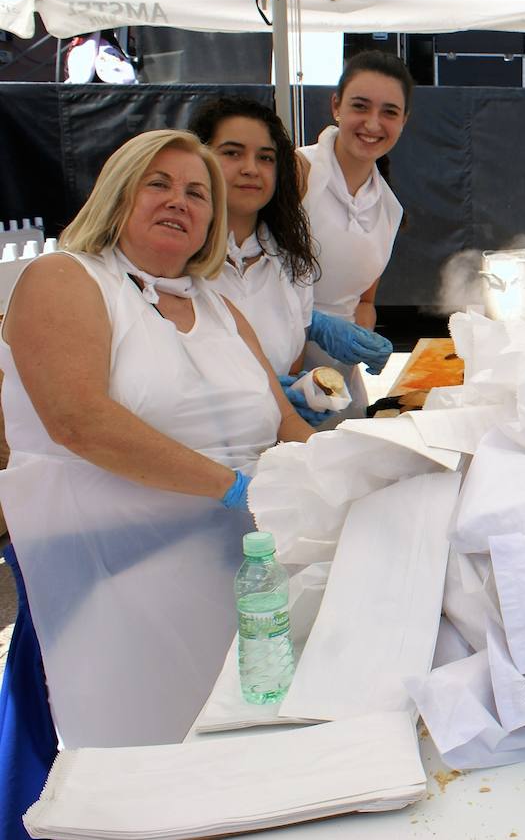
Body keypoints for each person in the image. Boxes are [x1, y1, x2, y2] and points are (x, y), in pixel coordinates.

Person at [0, 131, 312, 828]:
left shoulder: (221, 309)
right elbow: (79, 420)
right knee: (138, 775)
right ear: (119, 193)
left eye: (197, 192)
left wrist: (360, 467)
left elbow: (284, 421)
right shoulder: (66, 278)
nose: (180, 201)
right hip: (111, 577)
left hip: (240, 575)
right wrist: (233, 486)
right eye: (159, 184)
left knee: (233, 762)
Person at [190, 95, 391, 425]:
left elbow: (292, 365)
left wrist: (296, 392)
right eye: (232, 152)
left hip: (272, 445)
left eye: (265, 157)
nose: (250, 168)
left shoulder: (291, 261)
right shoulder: (174, 257)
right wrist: (260, 398)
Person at [297, 50, 411, 419]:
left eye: (389, 112)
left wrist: (363, 340)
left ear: (404, 121)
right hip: (275, 374)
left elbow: (363, 301)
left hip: (338, 387)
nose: (373, 124)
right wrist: (313, 325)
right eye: (360, 107)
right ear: (336, 107)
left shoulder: (389, 210)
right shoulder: (296, 171)